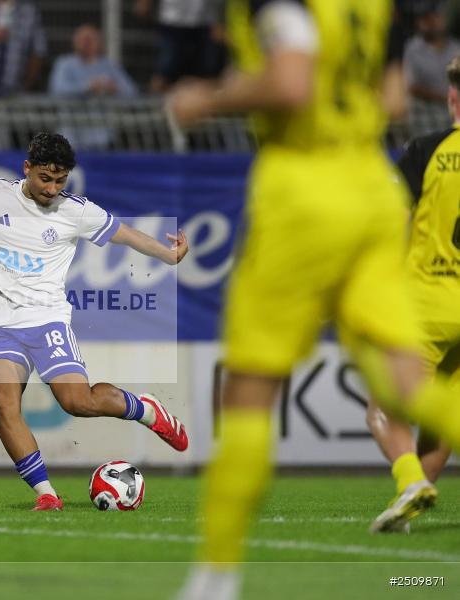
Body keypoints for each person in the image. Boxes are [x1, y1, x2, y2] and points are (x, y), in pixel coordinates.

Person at [168, 1, 460, 598]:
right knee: (411, 388)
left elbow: (291, 81)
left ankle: (215, 578)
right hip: (370, 185)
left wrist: (207, 96)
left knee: (249, 388)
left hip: (303, 187)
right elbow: (395, 100)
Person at [0, 130, 189, 510]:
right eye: (45, 178)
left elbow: (124, 235)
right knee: (2, 399)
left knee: (77, 402)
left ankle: (145, 409)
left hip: (49, 323)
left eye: (60, 181)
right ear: (27, 168)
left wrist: (167, 254)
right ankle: (46, 495)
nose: (51, 188)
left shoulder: (75, 210)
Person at [367, 55, 460, 533]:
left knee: (383, 407)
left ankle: (410, 482)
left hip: (429, 304)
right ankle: (414, 499)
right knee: (442, 413)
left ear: (451, 97)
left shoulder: (427, 149)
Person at [49, 24, 138, 99]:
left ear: (99, 42)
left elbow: (132, 92)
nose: (86, 44)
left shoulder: (109, 65)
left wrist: (114, 88)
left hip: (105, 117)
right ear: (75, 42)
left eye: (90, 40)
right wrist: (88, 87)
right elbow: (57, 89)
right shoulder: (65, 63)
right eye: (82, 40)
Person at [403, 0, 460, 103]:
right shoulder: (412, 48)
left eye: (436, 16)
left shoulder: (456, 48)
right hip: (424, 109)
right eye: (427, 18)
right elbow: (409, 86)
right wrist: (442, 97)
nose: (432, 22)